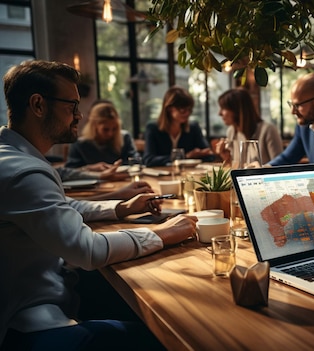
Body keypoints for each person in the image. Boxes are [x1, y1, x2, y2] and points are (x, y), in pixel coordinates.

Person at [0, 60, 198, 350]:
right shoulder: (23, 171)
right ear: (38, 105)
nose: (79, 115)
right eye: (72, 105)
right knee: (171, 336)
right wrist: (164, 233)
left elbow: (62, 206)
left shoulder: (17, 158)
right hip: (28, 323)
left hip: (46, 294)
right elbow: (86, 250)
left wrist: (121, 208)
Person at [143, 86, 215, 166]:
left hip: (188, 175)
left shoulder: (193, 127)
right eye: (183, 110)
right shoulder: (153, 128)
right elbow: (148, 160)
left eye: (189, 110)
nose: (187, 113)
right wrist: (185, 156)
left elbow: (209, 155)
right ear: (169, 108)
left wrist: (197, 155)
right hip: (162, 176)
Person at [214, 87, 282, 165]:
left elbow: (279, 167)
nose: (219, 113)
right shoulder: (231, 132)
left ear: (236, 110)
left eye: (223, 108)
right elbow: (238, 169)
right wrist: (227, 158)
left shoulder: (268, 130)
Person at [64, 100, 140, 168]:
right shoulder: (79, 144)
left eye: (114, 129)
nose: (110, 133)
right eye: (105, 129)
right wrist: (89, 168)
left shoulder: (125, 137)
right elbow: (69, 171)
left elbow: (135, 161)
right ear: (94, 126)